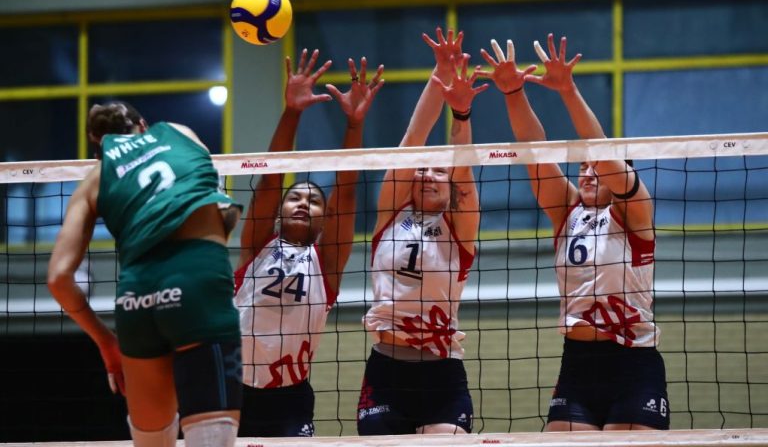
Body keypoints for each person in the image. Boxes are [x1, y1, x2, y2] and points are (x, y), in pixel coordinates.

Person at [478, 33, 669, 431]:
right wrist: (513, 92)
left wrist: (568, 90)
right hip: (578, 364)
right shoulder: (567, 210)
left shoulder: (635, 210)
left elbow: (600, 150)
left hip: (633, 363)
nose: (588, 171)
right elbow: (533, 150)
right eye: (581, 166)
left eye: (596, 166)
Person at [47, 101, 244, 447]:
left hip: (135, 298)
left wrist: (107, 343)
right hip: (195, 279)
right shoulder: (178, 133)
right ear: (143, 124)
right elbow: (222, 209)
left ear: (98, 145)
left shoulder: (95, 178)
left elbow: (58, 278)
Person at [235, 49, 383, 437]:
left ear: (323, 218)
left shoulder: (325, 262)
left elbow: (346, 193)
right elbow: (270, 178)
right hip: (233, 393)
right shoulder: (256, 246)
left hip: (290, 399)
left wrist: (354, 124)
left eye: (314, 200)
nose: (302, 203)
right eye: (295, 197)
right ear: (280, 210)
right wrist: (292, 111)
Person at [357, 28, 487, 435]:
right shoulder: (391, 215)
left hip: (442, 373)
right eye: (423, 169)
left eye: (438, 171)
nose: (428, 174)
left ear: (451, 184)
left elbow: (463, 167)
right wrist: (439, 73)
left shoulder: (459, 225)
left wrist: (461, 114)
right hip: (386, 368)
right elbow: (413, 139)